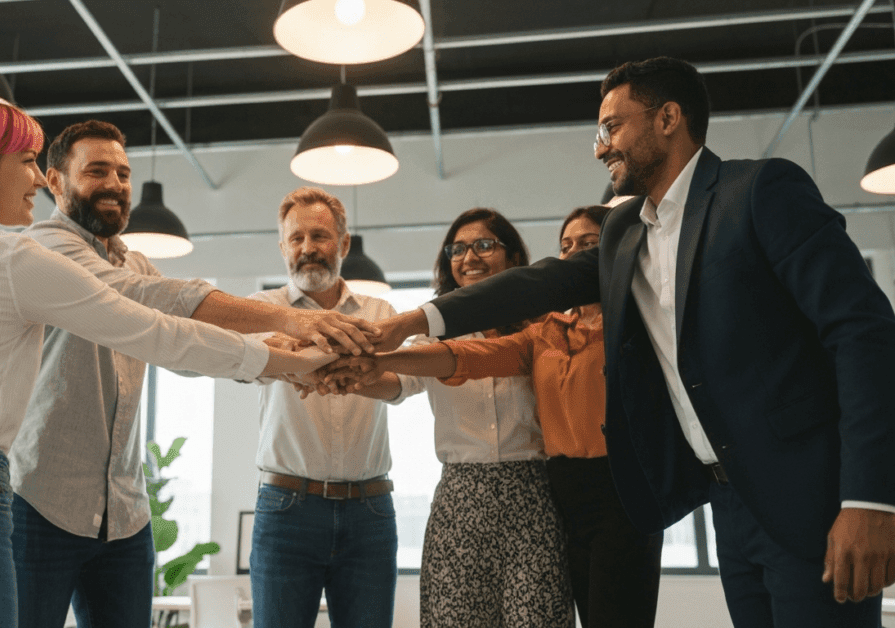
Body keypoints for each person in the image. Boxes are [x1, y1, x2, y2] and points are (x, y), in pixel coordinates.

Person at [374, 57, 895, 628]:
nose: (600, 148)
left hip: (811, 497)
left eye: (611, 127)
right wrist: (414, 320)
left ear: (668, 117)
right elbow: (538, 283)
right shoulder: (626, 232)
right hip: (728, 501)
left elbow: (864, 333)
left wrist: (870, 499)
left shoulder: (759, 191)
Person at [0, 99, 338, 628]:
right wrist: (281, 358)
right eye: (24, 161)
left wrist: (277, 352)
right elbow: (153, 328)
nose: (35, 179)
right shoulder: (13, 257)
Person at [7, 120, 379, 628]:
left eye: (123, 172)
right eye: (97, 171)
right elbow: (151, 301)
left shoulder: (136, 261)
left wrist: (286, 358)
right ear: (55, 180)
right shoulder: (45, 248)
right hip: (41, 507)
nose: (115, 184)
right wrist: (291, 322)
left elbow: (183, 342)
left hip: (125, 513)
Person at [333, 205, 663, 628]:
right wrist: (355, 371)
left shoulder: (549, 325)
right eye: (458, 249)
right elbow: (418, 374)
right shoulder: (452, 337)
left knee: (540, 617)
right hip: (466, 497)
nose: (469, 257)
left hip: (539, 492)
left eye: (484, 245)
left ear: (512, 258)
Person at [246, 186, 424, 628]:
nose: (308, 249)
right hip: (286, 510)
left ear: (344, 244)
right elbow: (241, 360)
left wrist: (360, 377)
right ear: (283, 247)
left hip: (370, 514)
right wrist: (300, 358)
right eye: (296, 238)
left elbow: (409, 381)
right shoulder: (261, 309)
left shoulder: (380, 311)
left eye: (320, 236)